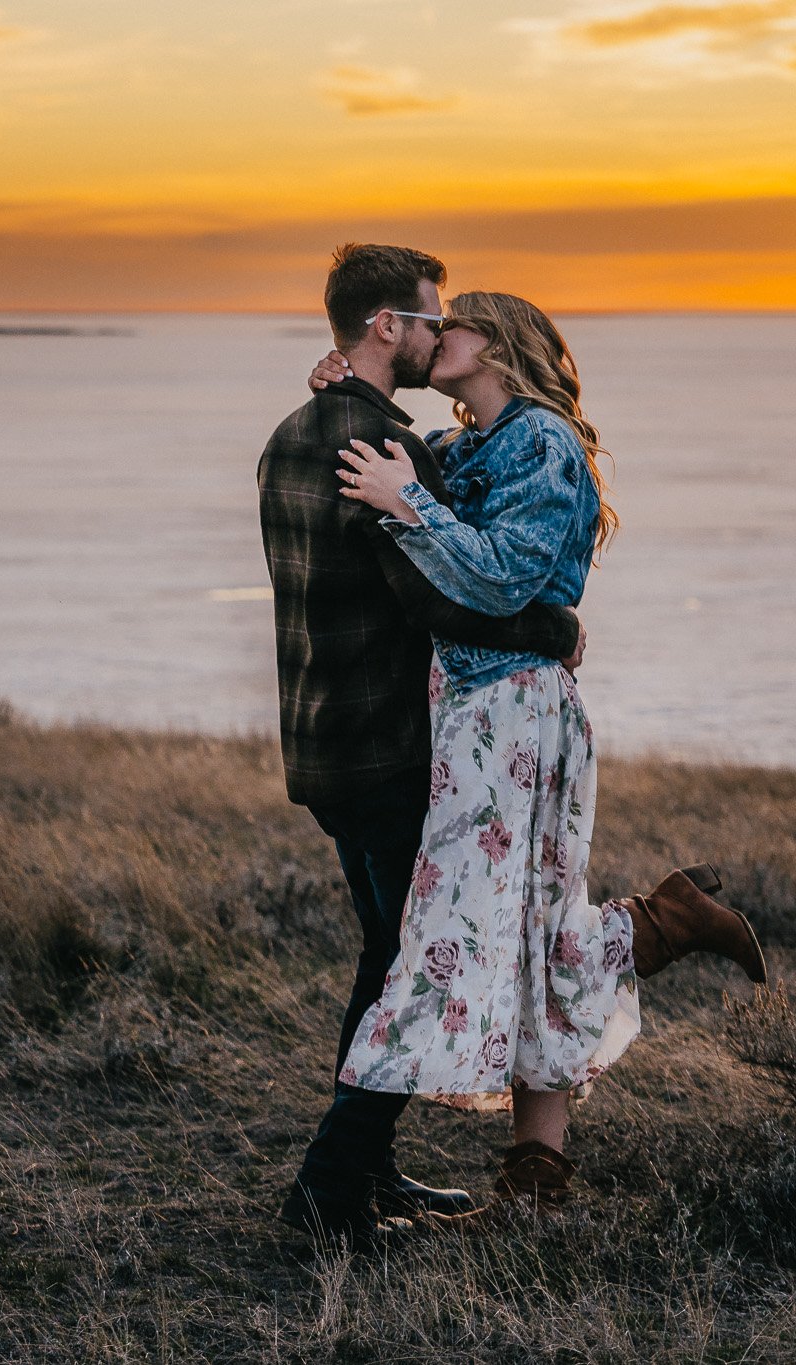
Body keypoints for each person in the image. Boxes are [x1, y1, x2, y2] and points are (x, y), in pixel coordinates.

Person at [307, 288, 767, 1219]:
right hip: (469, 707)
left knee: (459, 927)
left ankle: (343, 1162)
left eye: (456, 323)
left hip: (515, 709)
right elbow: (422, 494)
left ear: (499, 343)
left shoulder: (544, 443)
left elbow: (506, 571)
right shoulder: (466, 444)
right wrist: (335, 387)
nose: (439, 336)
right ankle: (536, 1179)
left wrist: (408, 508)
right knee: (527, 929)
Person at [258, 244, 588, 1249]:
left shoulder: (299, 429)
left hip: (321, 745)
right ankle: (328, 1192)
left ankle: (369, 1175)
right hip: (390, 748)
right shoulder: (383, 453)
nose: (437, 332)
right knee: (410, 966)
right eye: (427, 319)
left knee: (385, 953)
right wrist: (552, 633)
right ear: (385, 329)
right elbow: (445, 599)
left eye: (452, 323)